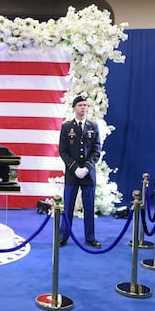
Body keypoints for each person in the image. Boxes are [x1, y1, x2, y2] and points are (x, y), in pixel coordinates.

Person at [58, 95, 102, 248]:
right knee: (68, 205)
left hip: (88, 175)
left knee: (89, 206)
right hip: (72, 173)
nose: (83, 108)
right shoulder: (66, 127)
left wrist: (87, 167)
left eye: (85, 105)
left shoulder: (93, 126)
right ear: (74, 108)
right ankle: (63, 236)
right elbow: (63, 151)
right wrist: (75, 168)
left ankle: (90, 237)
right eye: (80, 105)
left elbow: (97, 150)